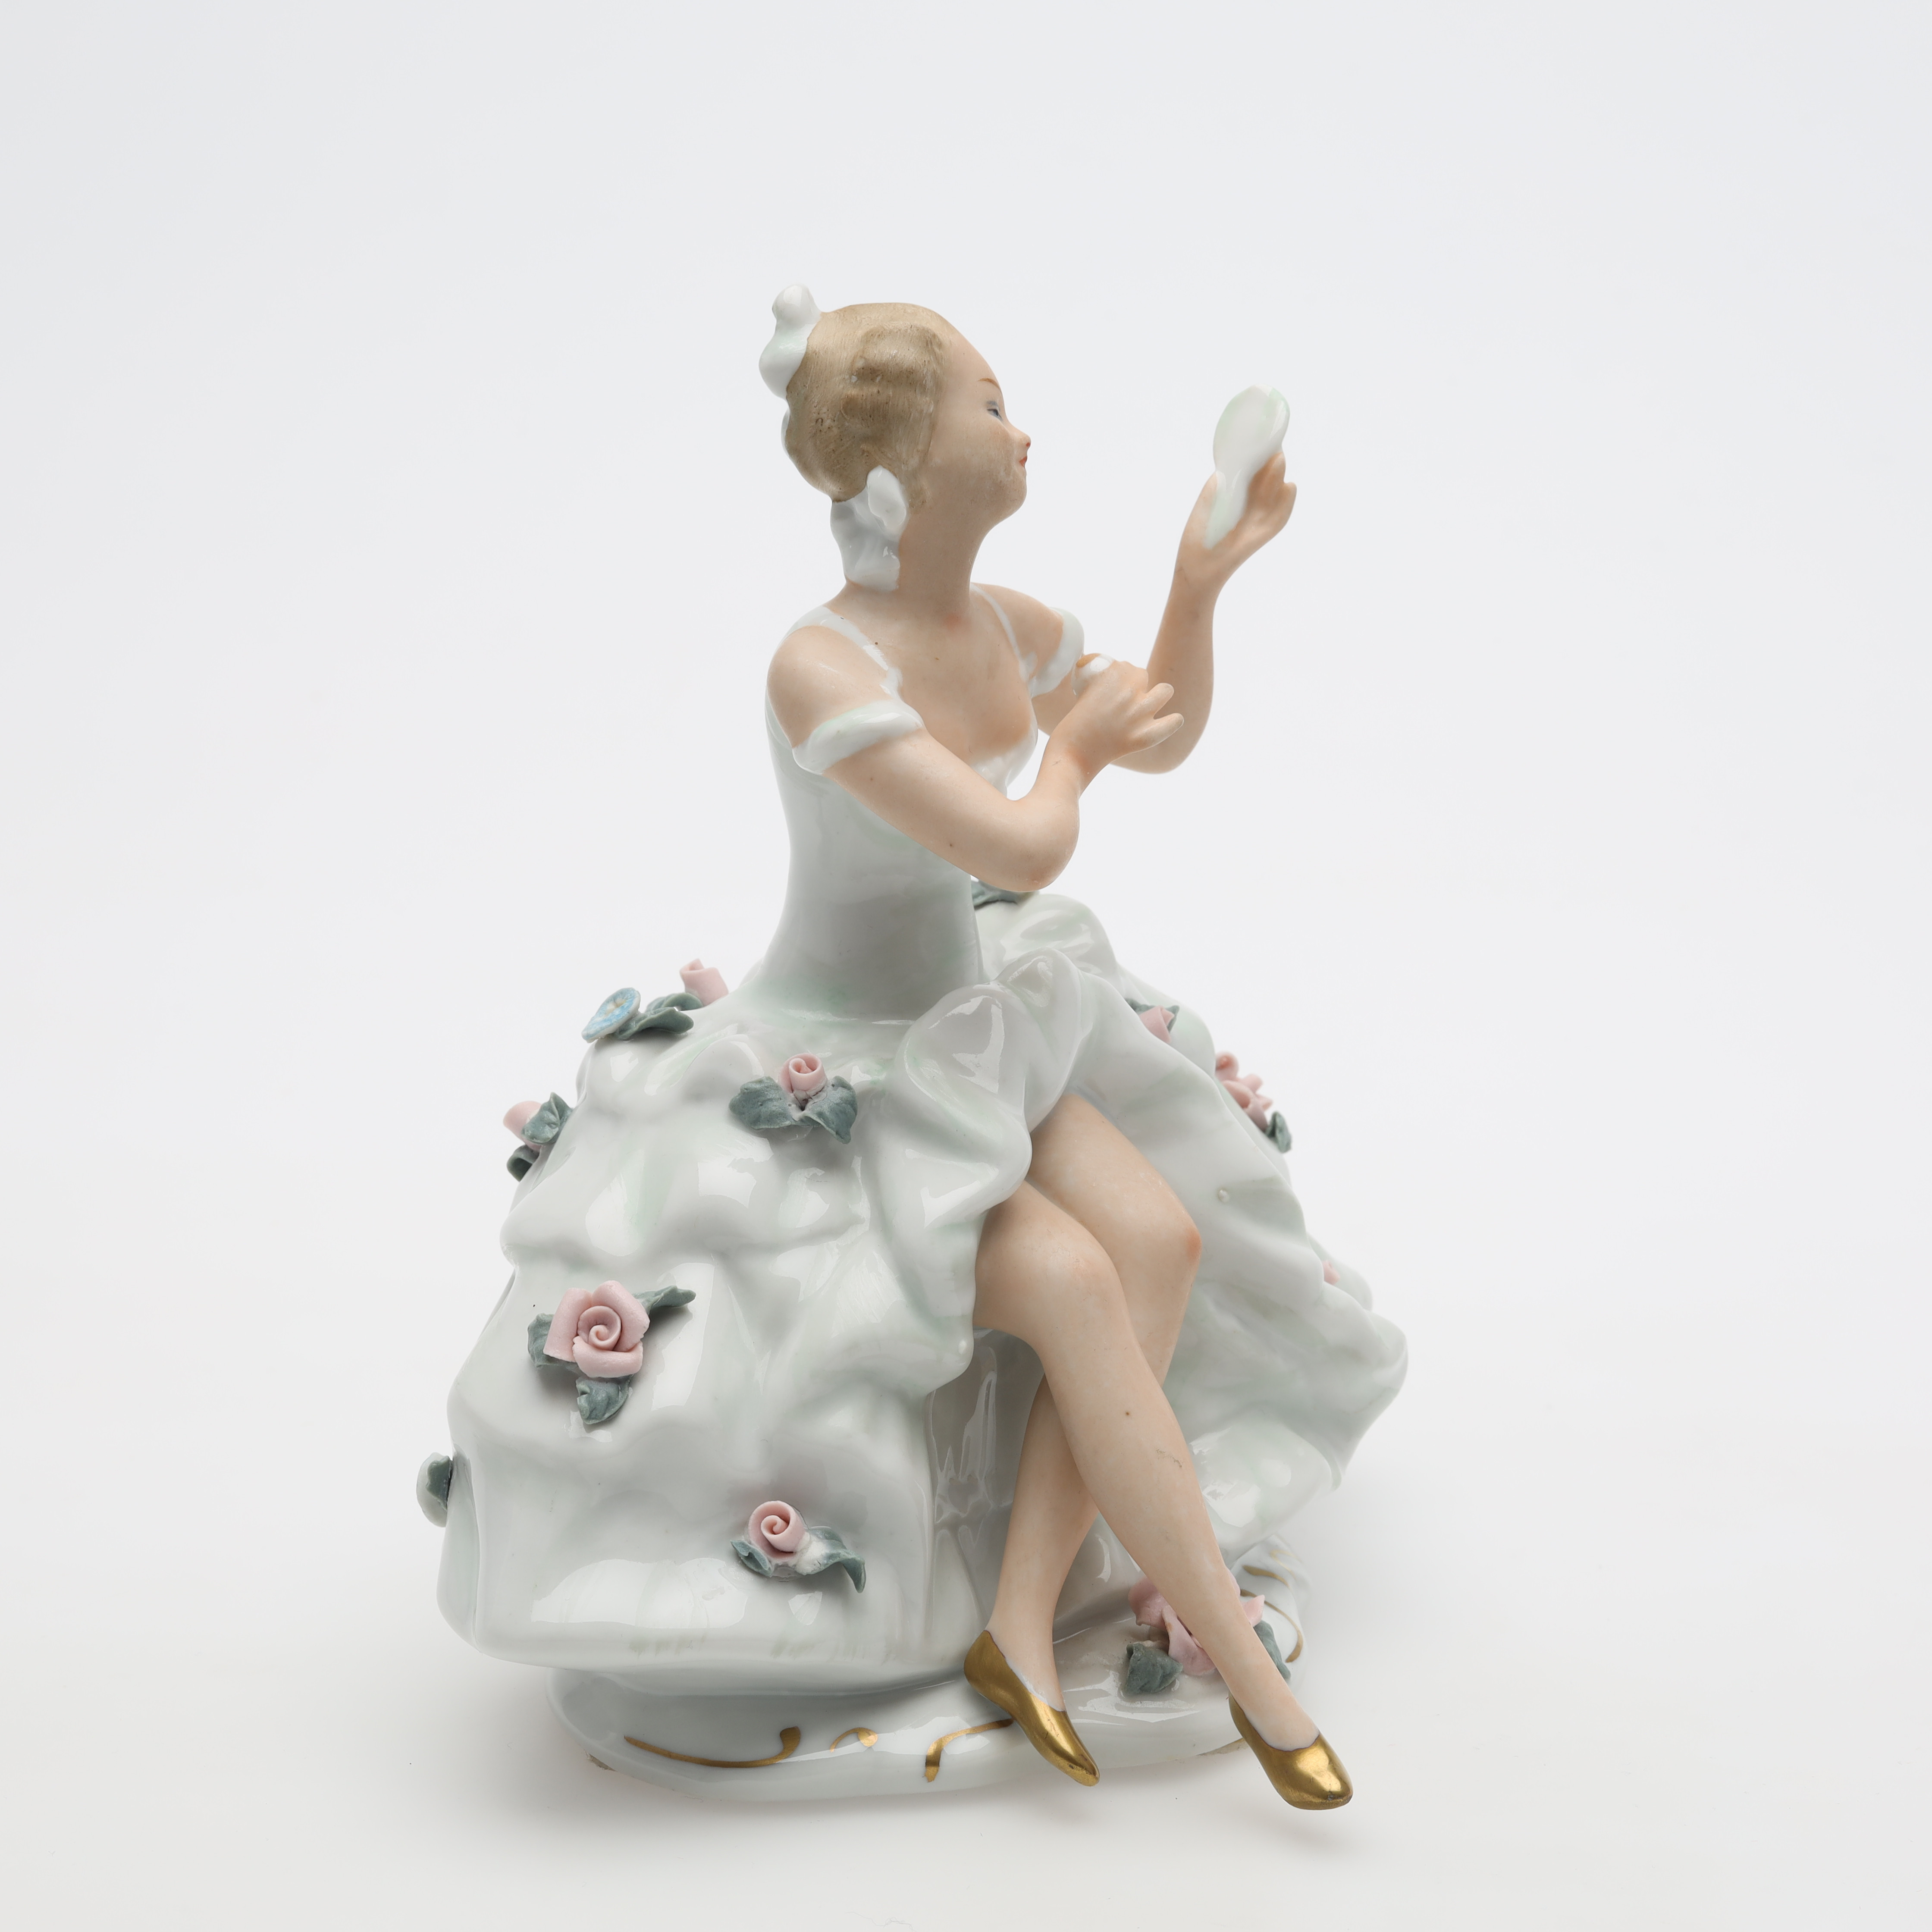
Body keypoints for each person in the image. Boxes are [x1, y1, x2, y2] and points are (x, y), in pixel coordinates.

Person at [436, 292, 1406, 1810]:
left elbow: (1157, 729)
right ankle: (1254, 1678)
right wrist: (1070, 750)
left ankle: (1022, 1624)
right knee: (1073, 1279)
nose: (1022, 432)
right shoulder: (822, 669)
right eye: (990, 404)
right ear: (903, 465)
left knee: (1158, 1237)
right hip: (849, 1069)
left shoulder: (1003, 624)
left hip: (972, 1036)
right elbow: (1018, 842)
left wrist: (1196, 583)